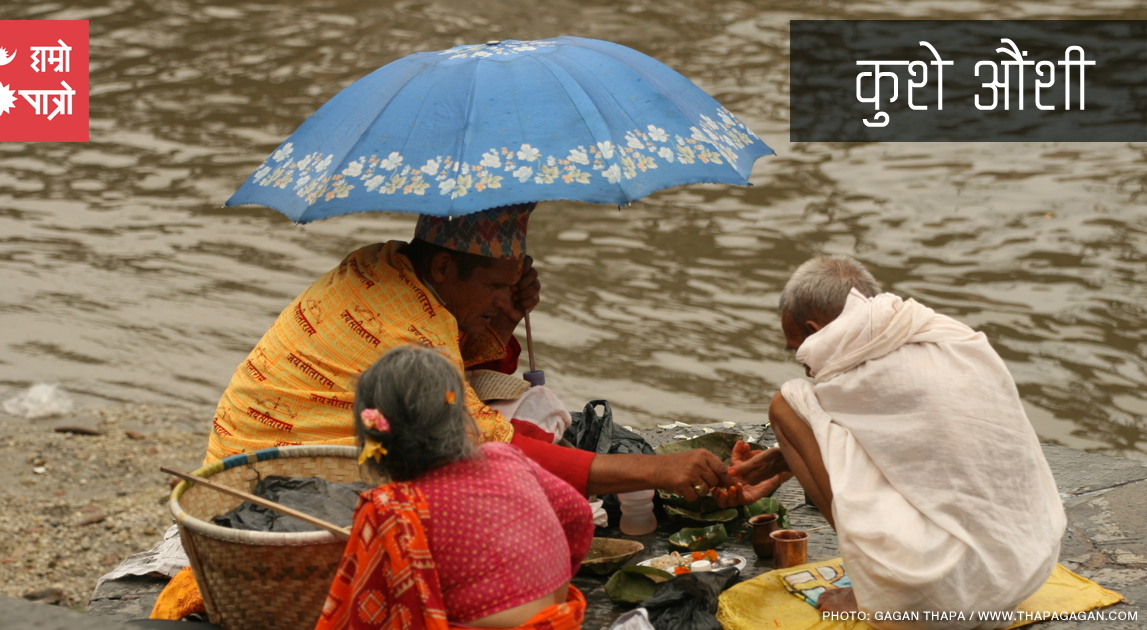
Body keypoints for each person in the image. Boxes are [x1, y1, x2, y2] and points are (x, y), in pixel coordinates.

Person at [203, 202, 736, 502]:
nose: (511, 297)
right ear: (443, 270)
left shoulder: (385, 261)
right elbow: (486, 444)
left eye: (517, 284)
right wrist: (654, 470)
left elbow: (473, 373)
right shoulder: (410, 328)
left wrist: (503, 313)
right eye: (497, 287)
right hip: (268, 486)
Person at [764, 255, 1065, 626]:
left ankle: (871, 587)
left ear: (815, 329)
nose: (806, 366)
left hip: (932, 596)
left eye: (798, 350)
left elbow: (840, 443)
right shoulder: (950, 336)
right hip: (1020, 574)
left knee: (786, 404)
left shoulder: (854, 366)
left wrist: (790, 447)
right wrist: (783, 460)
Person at [316, 344, 592, 630]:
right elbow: (578, 514)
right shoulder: (503, 454)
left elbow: (365, 610)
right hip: (563, 618)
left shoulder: (390, 506)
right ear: (461, 417)